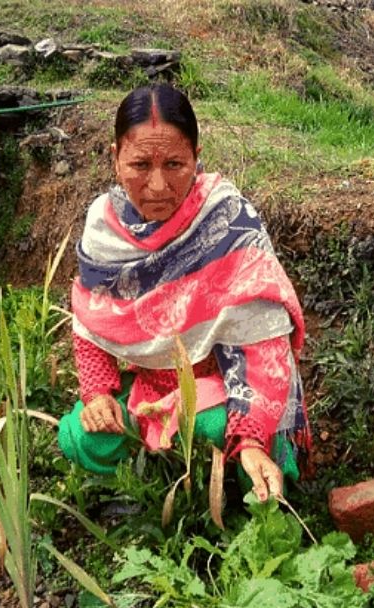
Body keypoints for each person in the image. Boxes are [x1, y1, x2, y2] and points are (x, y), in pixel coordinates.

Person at [57, 83, 311, 502]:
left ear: (196, 156)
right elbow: (93, 320)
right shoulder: (104, 226)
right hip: (151, 391)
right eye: (140, 164)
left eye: (175, 163)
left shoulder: (228, 221)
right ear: (114, 158)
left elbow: (261, 339)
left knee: (227, 435)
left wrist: (249, 436)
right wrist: (99, 394)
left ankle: (243, 510)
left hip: (223, 386)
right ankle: (142, 493)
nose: (157, 186)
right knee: (83, 435)